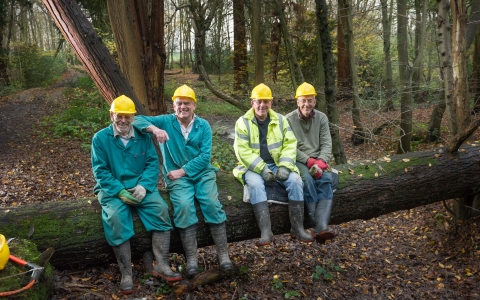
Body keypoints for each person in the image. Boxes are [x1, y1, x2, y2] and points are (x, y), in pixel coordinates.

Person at [132, 84, 233, 279]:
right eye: (179, 103)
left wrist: (183, 171)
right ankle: (192, 259)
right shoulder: (166, 121)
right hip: (176, 178)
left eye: (187, 103)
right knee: (184, 206)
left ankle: (223, 255)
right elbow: (136, 119)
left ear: (194, 105)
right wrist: (154, 129)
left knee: (211, 203)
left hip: (202, 173)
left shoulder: (203, 125)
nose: (182, 107)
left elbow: (205, 157)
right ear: (174, 105)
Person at [91, 95, 181, 295]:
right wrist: (118, 190)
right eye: (119, 116)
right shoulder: (100, 138)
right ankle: (126, 273)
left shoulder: (143, 136)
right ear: (112, 115)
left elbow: (151, 163)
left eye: (128, 117)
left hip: (141, 187)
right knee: (115, 217)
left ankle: (162, 264)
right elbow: (100, 170)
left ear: (133, 117)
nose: (123, 120)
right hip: (111, 189)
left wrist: (144, 186)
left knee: (161, 209)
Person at [233, 83, 313, 246]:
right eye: (258, 101)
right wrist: (262, 169)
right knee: (254, 184)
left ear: (271, 103)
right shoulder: (243, 122)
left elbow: (290, 144)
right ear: (252, 103)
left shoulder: (281, 120)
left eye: (265, 101)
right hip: (252, 167)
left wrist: (284, 166)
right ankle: (266, 231)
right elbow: (242, 151)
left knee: (296, 181)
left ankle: (297, 228)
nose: (262, 105)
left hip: (278, 163)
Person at [286, 82, 336, 243]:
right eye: (303, 100)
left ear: (314, 102)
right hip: (299, 160)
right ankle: (315, 222)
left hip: (319, 160)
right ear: (297, 102)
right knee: (306, 179)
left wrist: (321, 161)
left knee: (326, 179)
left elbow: (327, 143)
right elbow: (289, 147)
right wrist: (309, 161)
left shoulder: (322, 118)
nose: (306, 104)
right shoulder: (288, 120)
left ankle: (321, 226)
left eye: (310, 100)